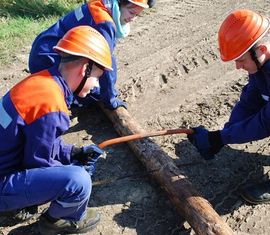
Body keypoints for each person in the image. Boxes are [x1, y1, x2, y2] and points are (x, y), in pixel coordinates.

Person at [0, 25, 112, 234]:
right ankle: (61, 220)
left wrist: (73, 153)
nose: (96, 85)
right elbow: (37, 163)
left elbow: (40, 139)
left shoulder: (40, 82)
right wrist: (74, 168)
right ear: (84, 68)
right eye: (96, 77)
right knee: (78, 181)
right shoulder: (52, 106)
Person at [187, 9, 270, 205]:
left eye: (241, 60)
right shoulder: (261, 62)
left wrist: (219, 137)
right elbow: (253, 97)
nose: (237, 67)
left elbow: (265, 122)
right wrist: (225, 133)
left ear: (262, 51)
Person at [28, 0, 150, 110]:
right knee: (66, 98)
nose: (133, 18)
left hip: (43, 49)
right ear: (120, 3)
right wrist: (110, 99)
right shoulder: (104, 23)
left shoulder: (101, 5)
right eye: (132, 12)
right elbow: (105, 64)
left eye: (137, 15)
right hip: (50, 59)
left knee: (89, 90)